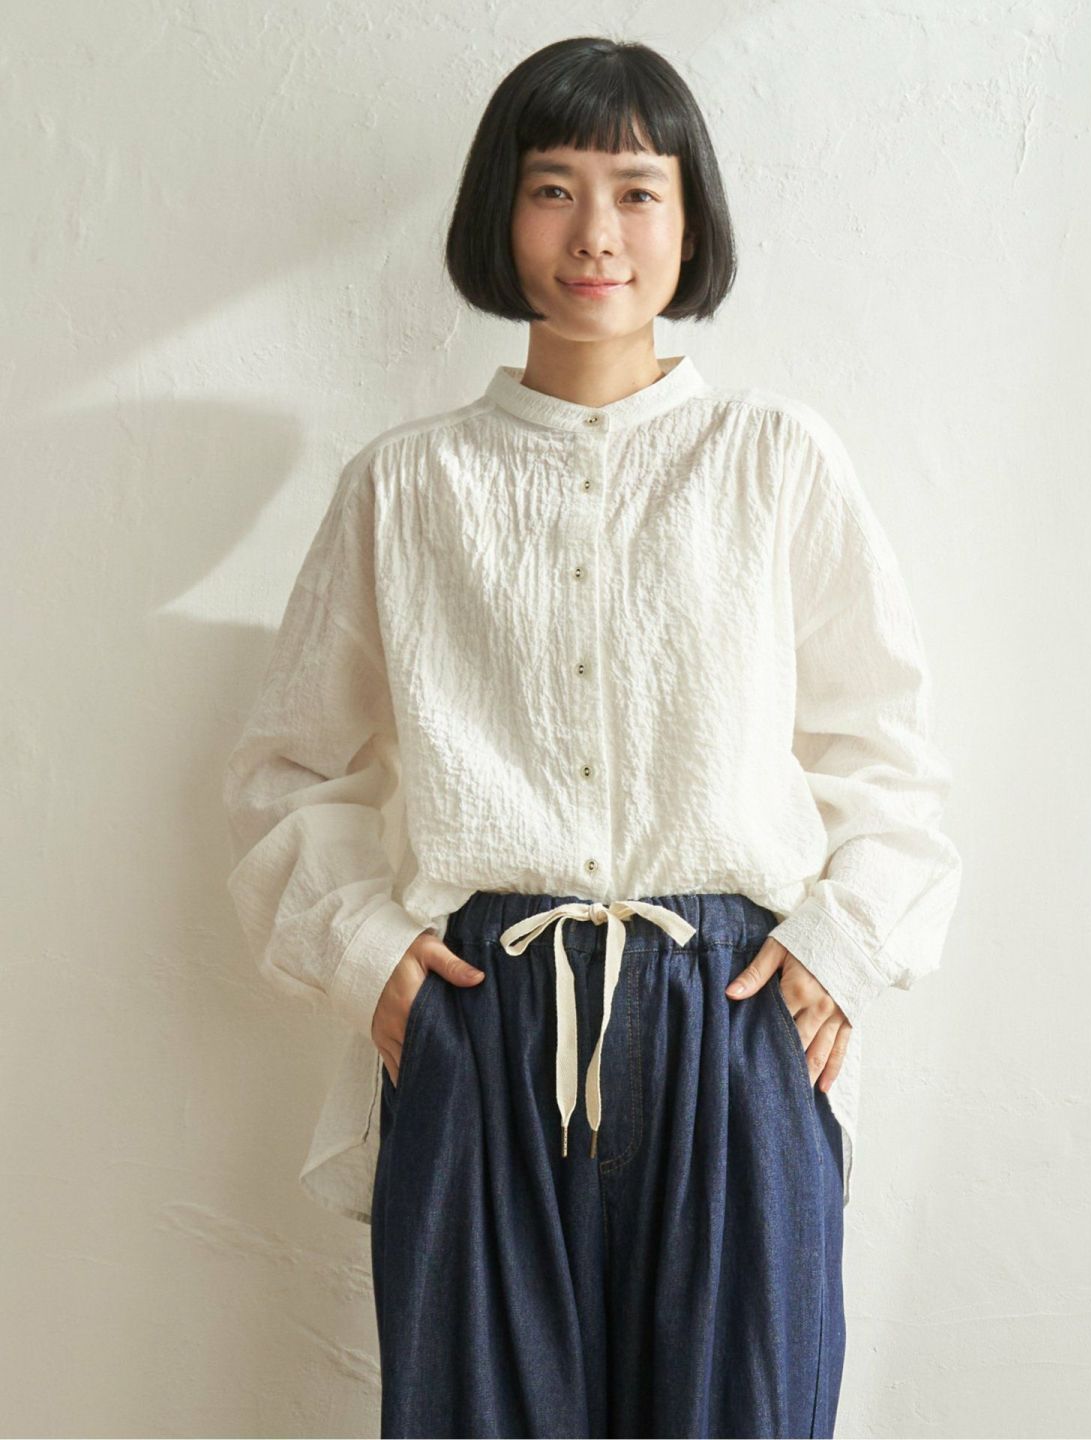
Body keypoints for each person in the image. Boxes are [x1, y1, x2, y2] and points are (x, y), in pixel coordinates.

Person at [221, 34, 962, 1440]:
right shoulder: (406, 487)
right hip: (484, 1014)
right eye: (553, 188)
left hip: (736, 1016)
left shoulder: (772, 459)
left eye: (636, 190)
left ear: (690, 216)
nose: (596, 234)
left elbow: (885, 746)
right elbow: (285, 772)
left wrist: (846, 941)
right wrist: (369, 952)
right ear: (499, 213)